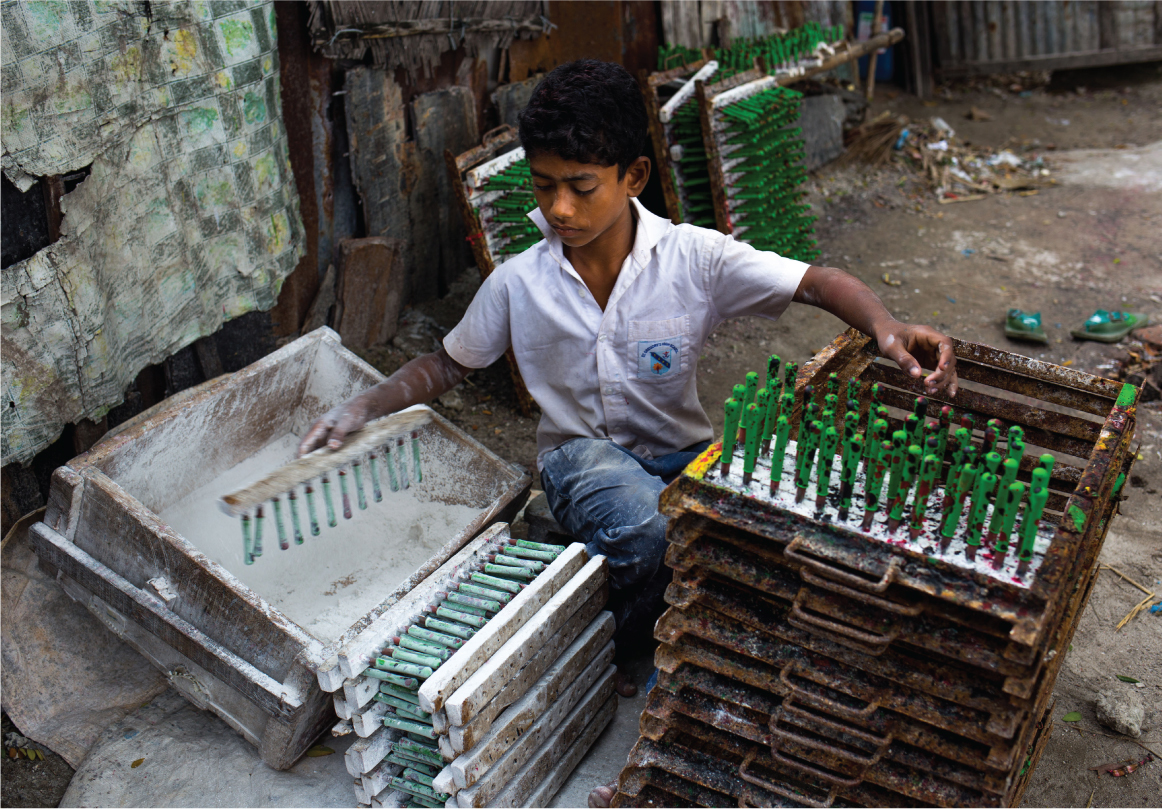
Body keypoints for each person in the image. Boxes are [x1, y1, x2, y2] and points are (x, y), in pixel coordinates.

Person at [295, 59, 957, 712]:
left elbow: (816, 281)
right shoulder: (518, 282)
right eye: (543, 185)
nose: (558, 207)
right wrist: (367, 404)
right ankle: (626, 640)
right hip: (577, 457)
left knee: (755, 536)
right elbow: (445, 365)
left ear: (633, 175)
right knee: (649, 528)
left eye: (581, 187)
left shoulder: (695, 259)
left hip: (680, 454)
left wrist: (887, 325)